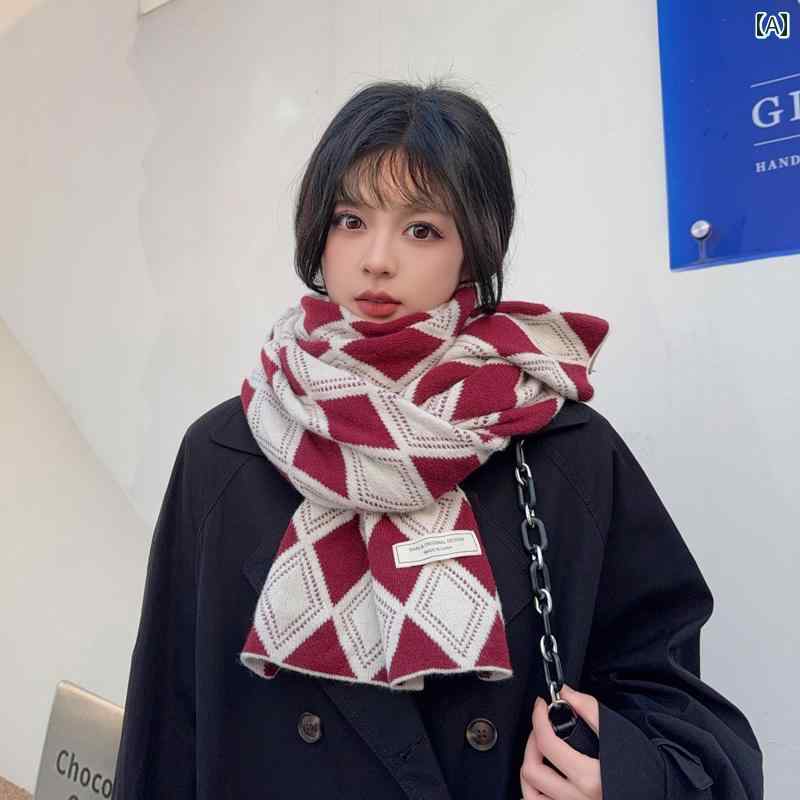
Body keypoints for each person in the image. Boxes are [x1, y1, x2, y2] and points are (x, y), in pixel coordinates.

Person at [111, 78, 763, 800]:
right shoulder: (227, 453)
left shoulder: (563, 449)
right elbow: (166, 730)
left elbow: (668, 697)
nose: (377, 259)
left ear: (473, 251)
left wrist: (619, 780)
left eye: (421, 229)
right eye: (350, 220)